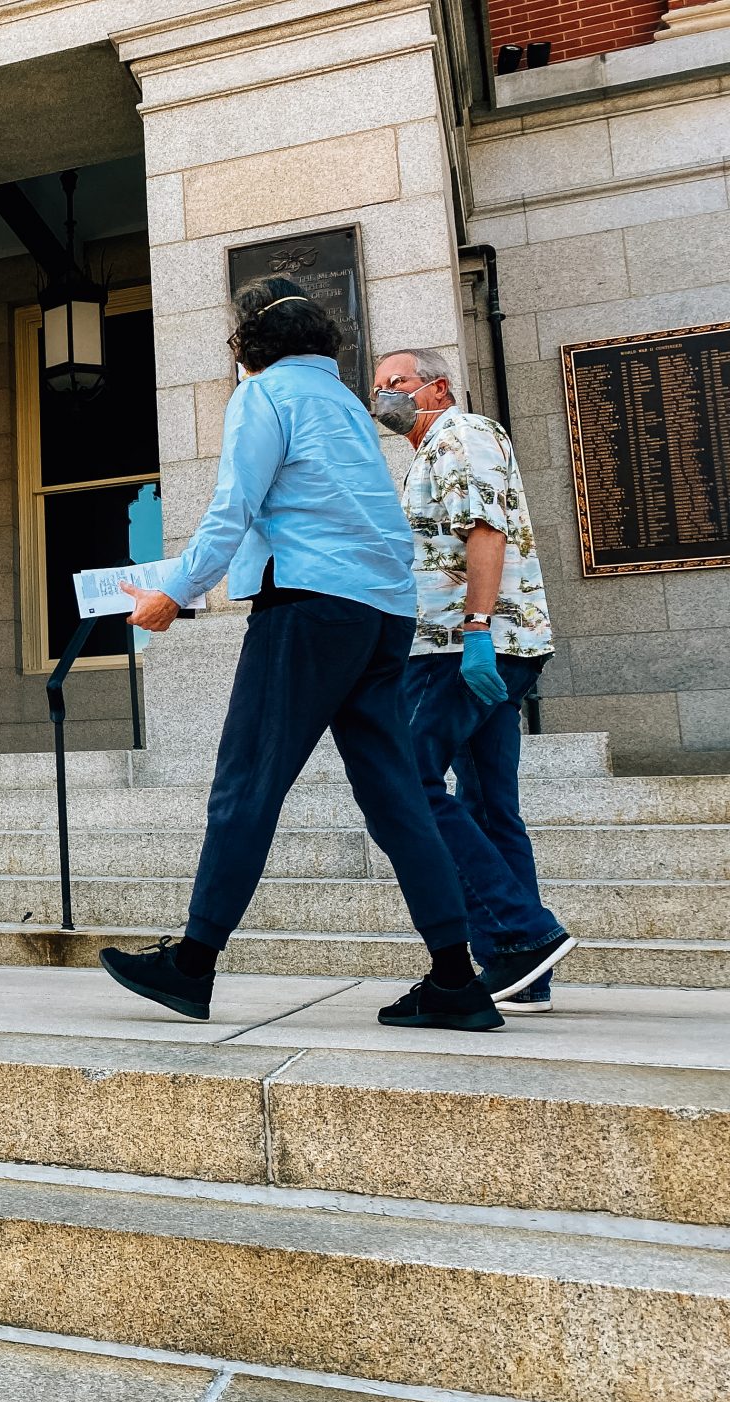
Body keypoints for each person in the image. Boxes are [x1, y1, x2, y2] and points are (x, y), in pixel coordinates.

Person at [99, 278, 503, 1031]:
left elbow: (233, 507)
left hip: (307, 610)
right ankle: (456, 978)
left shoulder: (265, 395)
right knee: (396, 797)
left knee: (246, 783)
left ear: (250, 339)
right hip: (381, 614)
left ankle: (193, 963)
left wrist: (176, 591)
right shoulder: (347, 405)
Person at [373, 349, 574, 1013]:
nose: (385, 396)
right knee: (488, 805)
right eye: (377, 388)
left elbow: (485, 532)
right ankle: (523, 972)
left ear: (437, 387)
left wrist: (478, 631)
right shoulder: (431, 450)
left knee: (408, 783)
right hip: (474, 647)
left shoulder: (461, 434)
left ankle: (521, 935)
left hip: (462, 648)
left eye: (396, 383)